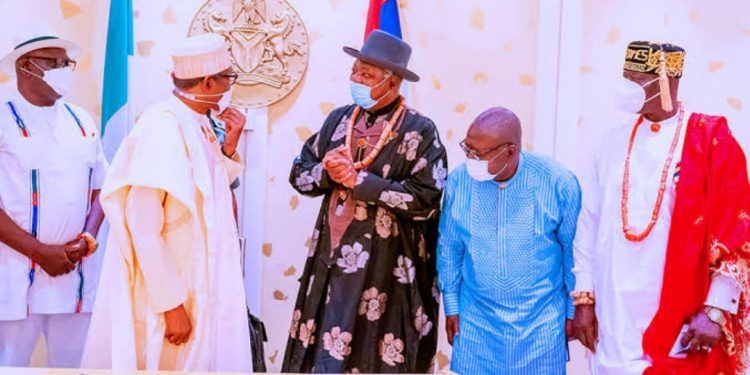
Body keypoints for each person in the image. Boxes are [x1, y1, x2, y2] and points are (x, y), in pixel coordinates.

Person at [573, 41, 750, 375]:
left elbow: (737, 231)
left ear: (666, 83)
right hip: (614, 309)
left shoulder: (711, 140)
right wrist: (585, 298)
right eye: (624, 76)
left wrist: (715, 310)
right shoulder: (610, 142)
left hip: (680, 310)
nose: (625, 87)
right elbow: (590, 222)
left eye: (635, 79)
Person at [81, 33, 252, 372]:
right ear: (206, 82)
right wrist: (171, 305)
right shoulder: (162, 127)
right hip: (172, 295)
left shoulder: (198, 121)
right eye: (227, 77)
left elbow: (210, 194)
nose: (230, 85)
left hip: (201, 283)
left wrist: (228, 150)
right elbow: (143, 227)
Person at [282, 30, 447, 373]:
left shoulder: (419, 131)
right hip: (330, 259)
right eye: (355, 71)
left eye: (366, 75)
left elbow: (427, 199)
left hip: (386, 270)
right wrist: (327, 173)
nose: (356, 79)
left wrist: (362, 183)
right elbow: (300, 174)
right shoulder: (339, 120)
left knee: (374, 352)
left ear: (393, 81)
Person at [438, 107, 580, 374]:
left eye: (478, 154)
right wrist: (452, 305)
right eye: (467, 149)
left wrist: (573, 310)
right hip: (477, 321)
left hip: (541, 323)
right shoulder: (459, 181)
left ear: (511, 152)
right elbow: (450, 247)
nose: (470, 159)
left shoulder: (557, 183)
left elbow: (573, 253)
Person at [0, 29, 107, 368]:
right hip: (15, 277)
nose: (63, 70)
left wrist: (87, 238)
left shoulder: (81, 120)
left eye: (66, 63)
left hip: (74, 275)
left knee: (75, 367)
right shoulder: (3, 119)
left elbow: (102, 187)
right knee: (9, 366)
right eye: (53, 62)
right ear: (25, 67)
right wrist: (40, 253)